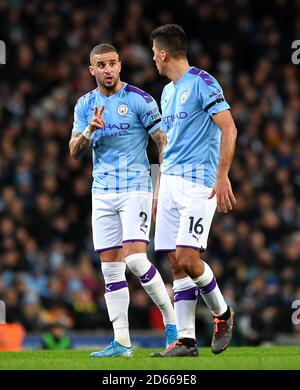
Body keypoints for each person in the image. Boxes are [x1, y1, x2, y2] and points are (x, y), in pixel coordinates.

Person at [69, 43, 178, 358]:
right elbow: (74, 152)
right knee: (110, 270)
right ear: (92, 70)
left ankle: (171, 323)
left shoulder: (140, 100)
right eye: (101, 65)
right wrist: (90, 129)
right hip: (101, 193)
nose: (107, 70)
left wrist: (161, 187)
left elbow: (163, 143)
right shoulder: (84, 105)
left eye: (112, 63)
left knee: (134, 259)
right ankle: (122, 343)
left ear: (120, 66)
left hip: (136, 189)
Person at [150, 24, 237, 356]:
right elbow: (165, 145)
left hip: (199, 182)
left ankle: (223, 313)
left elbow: (229, 128)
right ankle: (186, 340)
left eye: (154, 54)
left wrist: (223, 175)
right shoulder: (168, 91)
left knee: (189, 256)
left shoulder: (203, 82)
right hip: (170, 183)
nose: (153, 60)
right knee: (175, 262)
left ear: (163, 54)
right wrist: (159, 189)